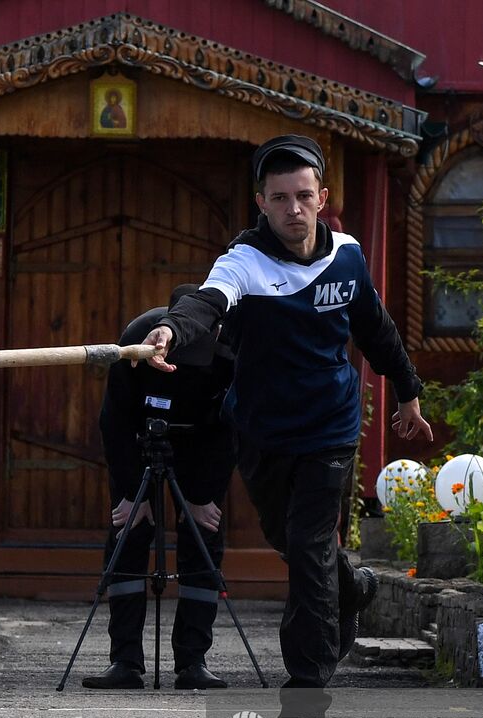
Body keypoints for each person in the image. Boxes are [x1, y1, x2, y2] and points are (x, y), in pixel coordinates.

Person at [142, 134, 433, 688]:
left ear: (323, 197)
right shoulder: (244, 262)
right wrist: (170, 330)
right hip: (262, 430)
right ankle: (355, 587)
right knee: (291, 541)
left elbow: (375, 328)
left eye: (303, 195)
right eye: (280, 198)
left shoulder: (346, 255)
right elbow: (205, 303)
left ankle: (307, 680)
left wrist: (407, 391)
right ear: (262, 202)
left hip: (330, 426)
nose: (293, 209)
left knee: (308, 545)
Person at [83, 291, 237, 690]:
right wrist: (132, 494)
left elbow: (232, 430)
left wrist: (200, 497)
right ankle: (125, 661)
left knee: (203, 534)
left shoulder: (232, 348)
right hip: (138, 438)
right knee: (128, 530)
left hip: (204, 443)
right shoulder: (137, 336)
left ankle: (193, 661)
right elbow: (113, 421)